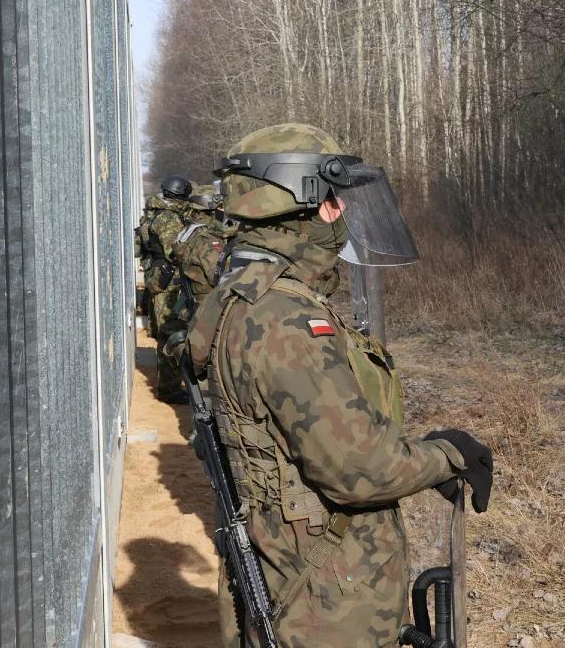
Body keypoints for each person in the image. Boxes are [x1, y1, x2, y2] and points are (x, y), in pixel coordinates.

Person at [185, 124, 494, 647]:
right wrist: (448, 455)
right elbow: (358, 470)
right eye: (334, 199)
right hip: (322, 596)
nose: (343, 212)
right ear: (302, 201)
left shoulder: (238, 295)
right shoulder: (284, 318)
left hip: (288, 569)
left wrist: (412, 457)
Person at [140, 174, 202, 403]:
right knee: (171, 333)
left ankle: (170, 384)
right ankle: (169, 389)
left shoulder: (159, 213)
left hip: (163, 279)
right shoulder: (168, 218)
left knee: (169, 331)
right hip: (169, 283)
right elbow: (174, 251)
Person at [173, 183, 238, 309]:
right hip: (210, 305)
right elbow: (218, 276)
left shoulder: (190, 230)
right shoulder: (207, 239)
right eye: (221, 206)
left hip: (198, 302)